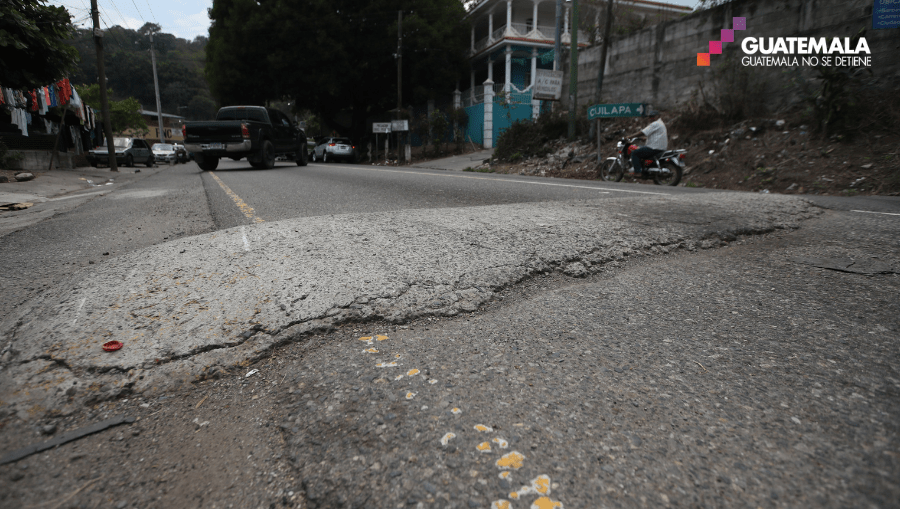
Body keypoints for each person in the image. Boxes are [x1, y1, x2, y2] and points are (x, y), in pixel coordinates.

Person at [626, 111, 667, 176]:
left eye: (653, 116)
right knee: (641, 148)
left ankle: (638, 172)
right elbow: (657, 135)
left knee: (635, 153)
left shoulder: (655, 124)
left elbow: (642, 132)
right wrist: (645, 138)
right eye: (650, 117)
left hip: (654, 148)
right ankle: (644, 168)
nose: (651, 118)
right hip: (660, 147)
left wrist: (629, 137)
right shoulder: (661, 123)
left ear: (658, 116)